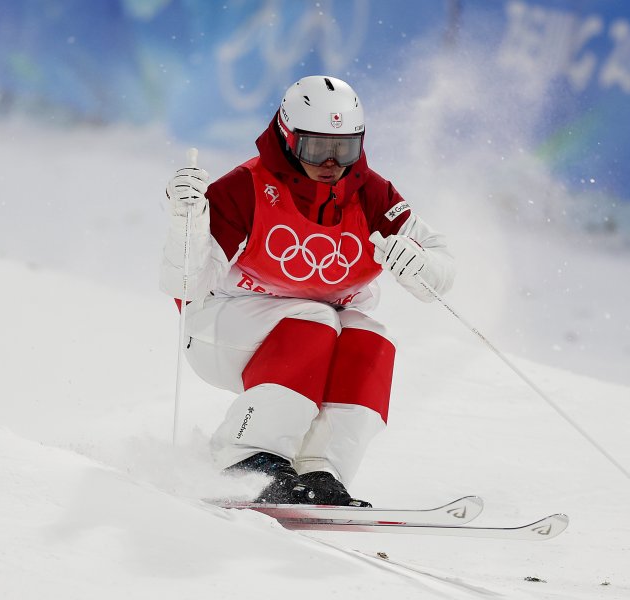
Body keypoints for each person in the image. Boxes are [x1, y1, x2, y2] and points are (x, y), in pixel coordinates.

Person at [159, 75, 454, 506]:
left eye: (345, 148)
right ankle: (245, 456)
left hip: (313, 336)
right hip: (221, 329)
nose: (332, 163)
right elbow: (184, 285)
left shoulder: (372, 195)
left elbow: (441, 269)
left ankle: (319, 469)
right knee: (314, 317)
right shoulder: (246, 188)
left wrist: (420, 266)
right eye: (316, 148)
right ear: (286, 136)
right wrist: (184, 222)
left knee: (371, 339)